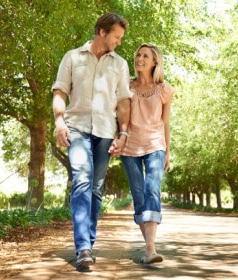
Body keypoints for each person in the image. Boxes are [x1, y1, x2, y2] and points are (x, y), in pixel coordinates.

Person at [52, 12, 131, 268]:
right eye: (116, 37)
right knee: (82, 180)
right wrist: (59, 122)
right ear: (102, 32)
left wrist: (124, 133)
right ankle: (83, 247)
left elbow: (122, 102)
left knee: (96, 188)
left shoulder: (120, 64)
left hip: (106, 131)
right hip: (77, 127)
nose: (118, 42)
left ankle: (89, 242)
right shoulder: (72, 57)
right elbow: (60, 91)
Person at [116, 44, 174, 264]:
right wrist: (117, 138)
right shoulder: (125, 87)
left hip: (155, 144)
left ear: (154, 62)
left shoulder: (164, 90)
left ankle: (150, 248)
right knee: (138, 193)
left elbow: (165, 122)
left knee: (152, 189)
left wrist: (168, 150)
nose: (140, 58)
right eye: (138, 55)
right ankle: (148, 247)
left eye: (145, 56)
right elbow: (119, 116)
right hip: (130, 146)